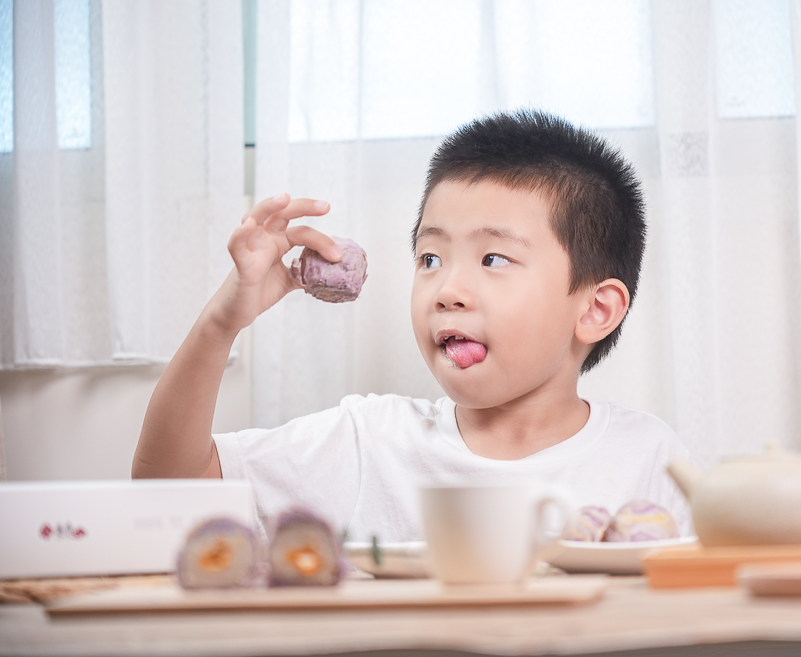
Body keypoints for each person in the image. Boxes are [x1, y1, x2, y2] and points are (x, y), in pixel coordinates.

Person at [133, 110, 692, 542]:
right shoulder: (369, 441)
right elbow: (167, 494)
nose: (447, 290)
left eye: (493, 260)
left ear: (595, 310)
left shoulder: (645, 456)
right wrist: (219, 325)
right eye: (430, 259)